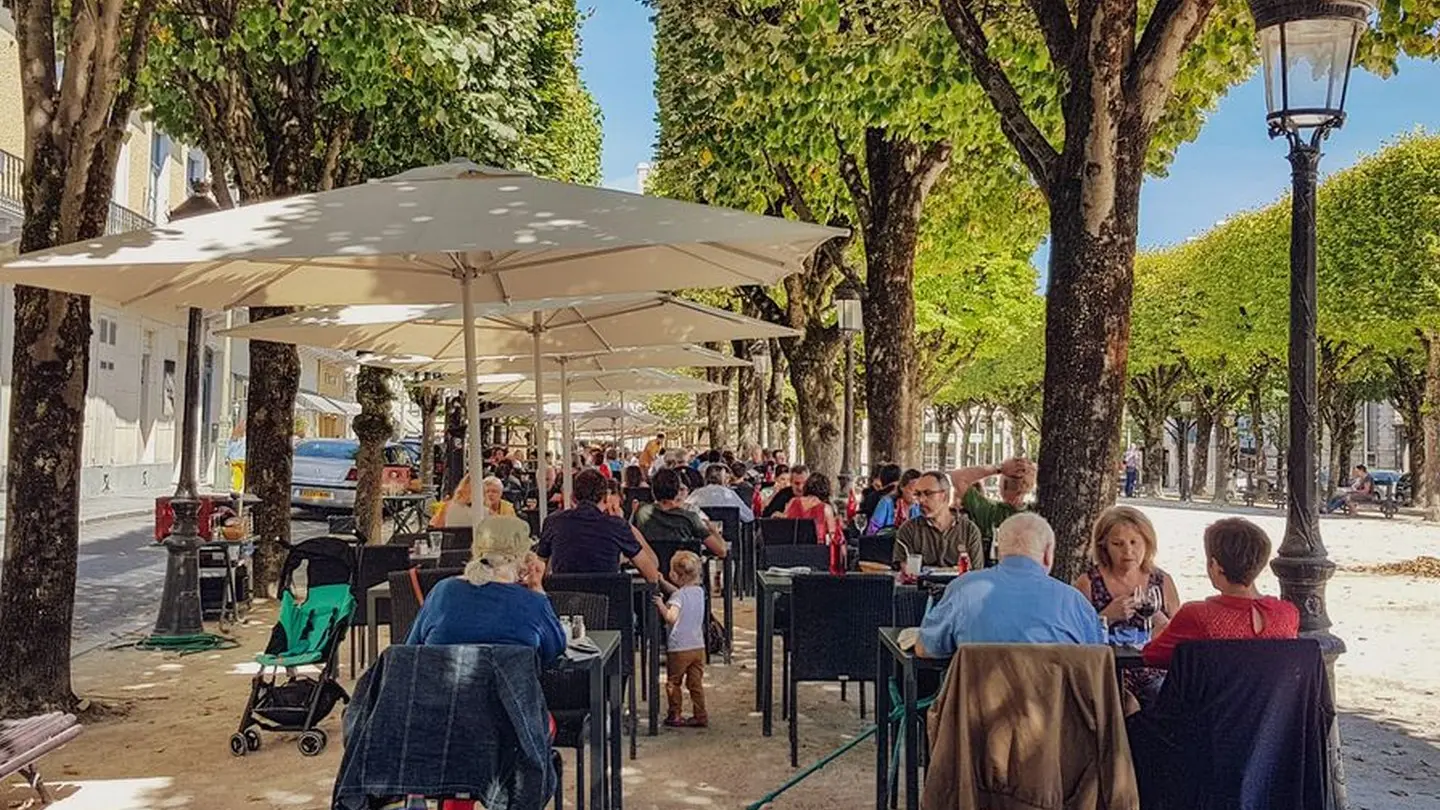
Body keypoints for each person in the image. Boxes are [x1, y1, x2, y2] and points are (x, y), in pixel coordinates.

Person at [916, 513, 1104, 657]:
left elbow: (925, 649)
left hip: (976, 705)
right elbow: (1096, 659)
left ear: (999, 551)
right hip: (1053, 706)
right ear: (1048, 554)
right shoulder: (1074, 602)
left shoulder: (963, 589)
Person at [1143, 517, 1299, 669]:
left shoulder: (1197, 615)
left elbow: (1153, 656)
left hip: (1212, 695)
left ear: (1215, 565)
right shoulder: (1288, 614)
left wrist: (1160, 626)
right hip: (1270, 696)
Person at [405, 516, 565, 661]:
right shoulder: (532, 602)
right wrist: (537, 588)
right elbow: (555, 650)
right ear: (523, 559)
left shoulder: (443, 591)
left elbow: (411, 649)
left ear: (475, 550)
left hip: (440, 691)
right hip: (511, 692)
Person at [1073, 506, 1180, 704]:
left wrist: (1160, 620)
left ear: (1147, 544)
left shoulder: (1162, 581)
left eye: (1134, 542)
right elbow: (1075, 637)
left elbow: (1179, 636)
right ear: (1104, 545)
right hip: (1106, 671)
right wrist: (1106, 616)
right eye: (1118, 544)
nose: (1128, 551)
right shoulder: (1088, 583)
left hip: (1153, 672)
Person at [536, 469, 661, 582]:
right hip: (608, 604)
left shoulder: (553, 523)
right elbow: (652, 575)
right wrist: (627, 525)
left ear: (573, 498)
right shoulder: (616, 526)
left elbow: (538, 571)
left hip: (564, 604)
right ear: (606, 497)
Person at [652, 550, 709, 727]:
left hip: (679, 647)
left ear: (677, 575)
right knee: (695, 683)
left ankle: (675, 713)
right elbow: (679, 592)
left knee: (674, 682)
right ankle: (700, 714)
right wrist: (663, 582)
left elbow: (671, 617)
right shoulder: (699, 592)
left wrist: (661, 604)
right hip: (698, 646)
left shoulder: (678, 597)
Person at [948, 457, 1036, 566]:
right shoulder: (1037, 513)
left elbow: (957, 477)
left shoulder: (988, 511)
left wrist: (999, 468)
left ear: (1003, 485)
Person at [893, 471, 984, 569]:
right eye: (918, 494)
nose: (921, 500)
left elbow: (977, 573)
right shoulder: (908, 530)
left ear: (944, 495)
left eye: (928, 493)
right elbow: (904, 573)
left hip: (960, 584)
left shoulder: (969, 531)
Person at [633, 469, 728, 557]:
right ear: (677, 490)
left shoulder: (641, 511)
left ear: (652, 490)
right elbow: (721, 551)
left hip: (649, 568)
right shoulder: (690, 518)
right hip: (682, 570)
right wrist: (714, 531)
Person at [783, 472, 840, 546]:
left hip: (793, 548)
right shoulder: (825, 508)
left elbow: (785, 523)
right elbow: (832, 536)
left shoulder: (793, 502)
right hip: (817, 550)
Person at [686, 464, 756, 523]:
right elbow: (749, 517)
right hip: (728, 536)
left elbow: (685, 511)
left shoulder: (696, 493)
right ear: (723, 478)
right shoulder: (729, 494)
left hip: (701, 535)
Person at [867, 468, 923, 535]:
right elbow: (872, 531)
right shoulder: (886, 503)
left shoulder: (918, 507)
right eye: (914, 490)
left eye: (920, 491)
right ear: (902, 487)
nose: (917, 495)